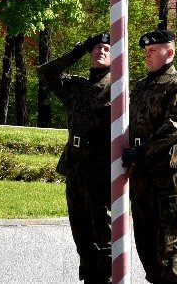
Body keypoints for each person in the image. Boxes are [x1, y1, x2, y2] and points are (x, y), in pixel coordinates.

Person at [41, 32, 116, 284]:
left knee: (104, 236)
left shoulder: (117, 90)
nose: (100, 51)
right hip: (75, 167)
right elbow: (46, 73)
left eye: (106, 48)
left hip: (101, 170)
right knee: (81, 234)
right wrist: (79, 49)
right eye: (96, 48)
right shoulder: (77, 86)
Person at [126, 28, 177, 284]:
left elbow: (175, 125)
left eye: (152, 51)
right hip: (142, 174)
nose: (147, 56)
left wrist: (141, 149)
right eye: (146, 51)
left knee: (169, 244)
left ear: (170, 52)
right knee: (145, 241)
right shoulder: (141, 86)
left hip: (167, 173)